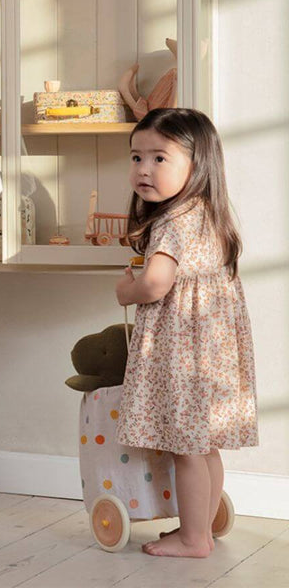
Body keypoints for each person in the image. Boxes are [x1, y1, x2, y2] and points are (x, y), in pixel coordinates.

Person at [114, 108, 258, 558]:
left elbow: (155, 283)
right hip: (212, 353)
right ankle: (201, 527)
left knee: (186, 450)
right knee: (205, 445)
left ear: (198, 166)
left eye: (160, 158)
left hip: (184, 354)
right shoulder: (210, 215)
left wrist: (126, 291)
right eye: (137, 157)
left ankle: (194, 537)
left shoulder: (174, 221)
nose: (144, 169)